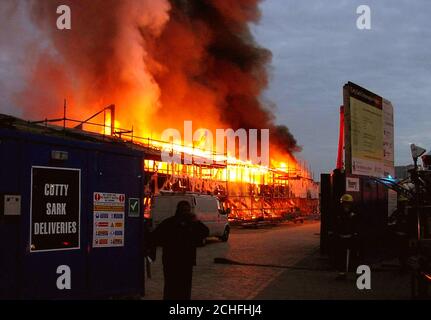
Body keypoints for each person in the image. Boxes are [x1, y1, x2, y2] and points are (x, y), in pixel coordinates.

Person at [151, 200, 209, 300]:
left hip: (182, 262)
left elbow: (205, 232)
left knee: (180, 288)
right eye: (185, 210)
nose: (186, 213)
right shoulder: (172, 224)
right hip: (174, 262)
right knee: (174, 288)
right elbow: (156, 238)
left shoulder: (176, 223)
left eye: (187, 210)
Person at [335, 194, 359, 279]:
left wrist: (355, 234)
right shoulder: (338, 213)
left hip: (351, 238)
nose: (346, 205)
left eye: (348, 203)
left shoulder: (354, 214)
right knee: (341, 256)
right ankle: (342, 273)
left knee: (354, 256)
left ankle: (356, 273)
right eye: (345, 203)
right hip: (341, 238)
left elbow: (357, 225)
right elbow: (336, 225)